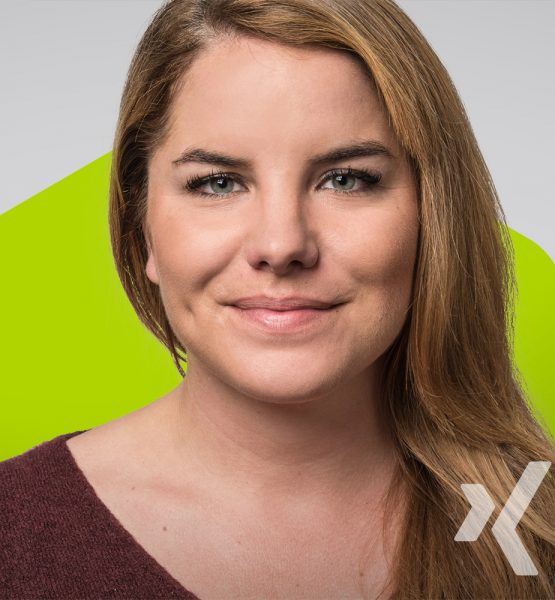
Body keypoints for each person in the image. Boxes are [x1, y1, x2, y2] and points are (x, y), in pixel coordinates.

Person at [1, 0, 554, 598]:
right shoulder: (14, 534)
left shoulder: (526, 528)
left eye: (346, 179)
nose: (282, 244)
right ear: (143, 232)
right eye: (218, 183)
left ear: (433, 218)